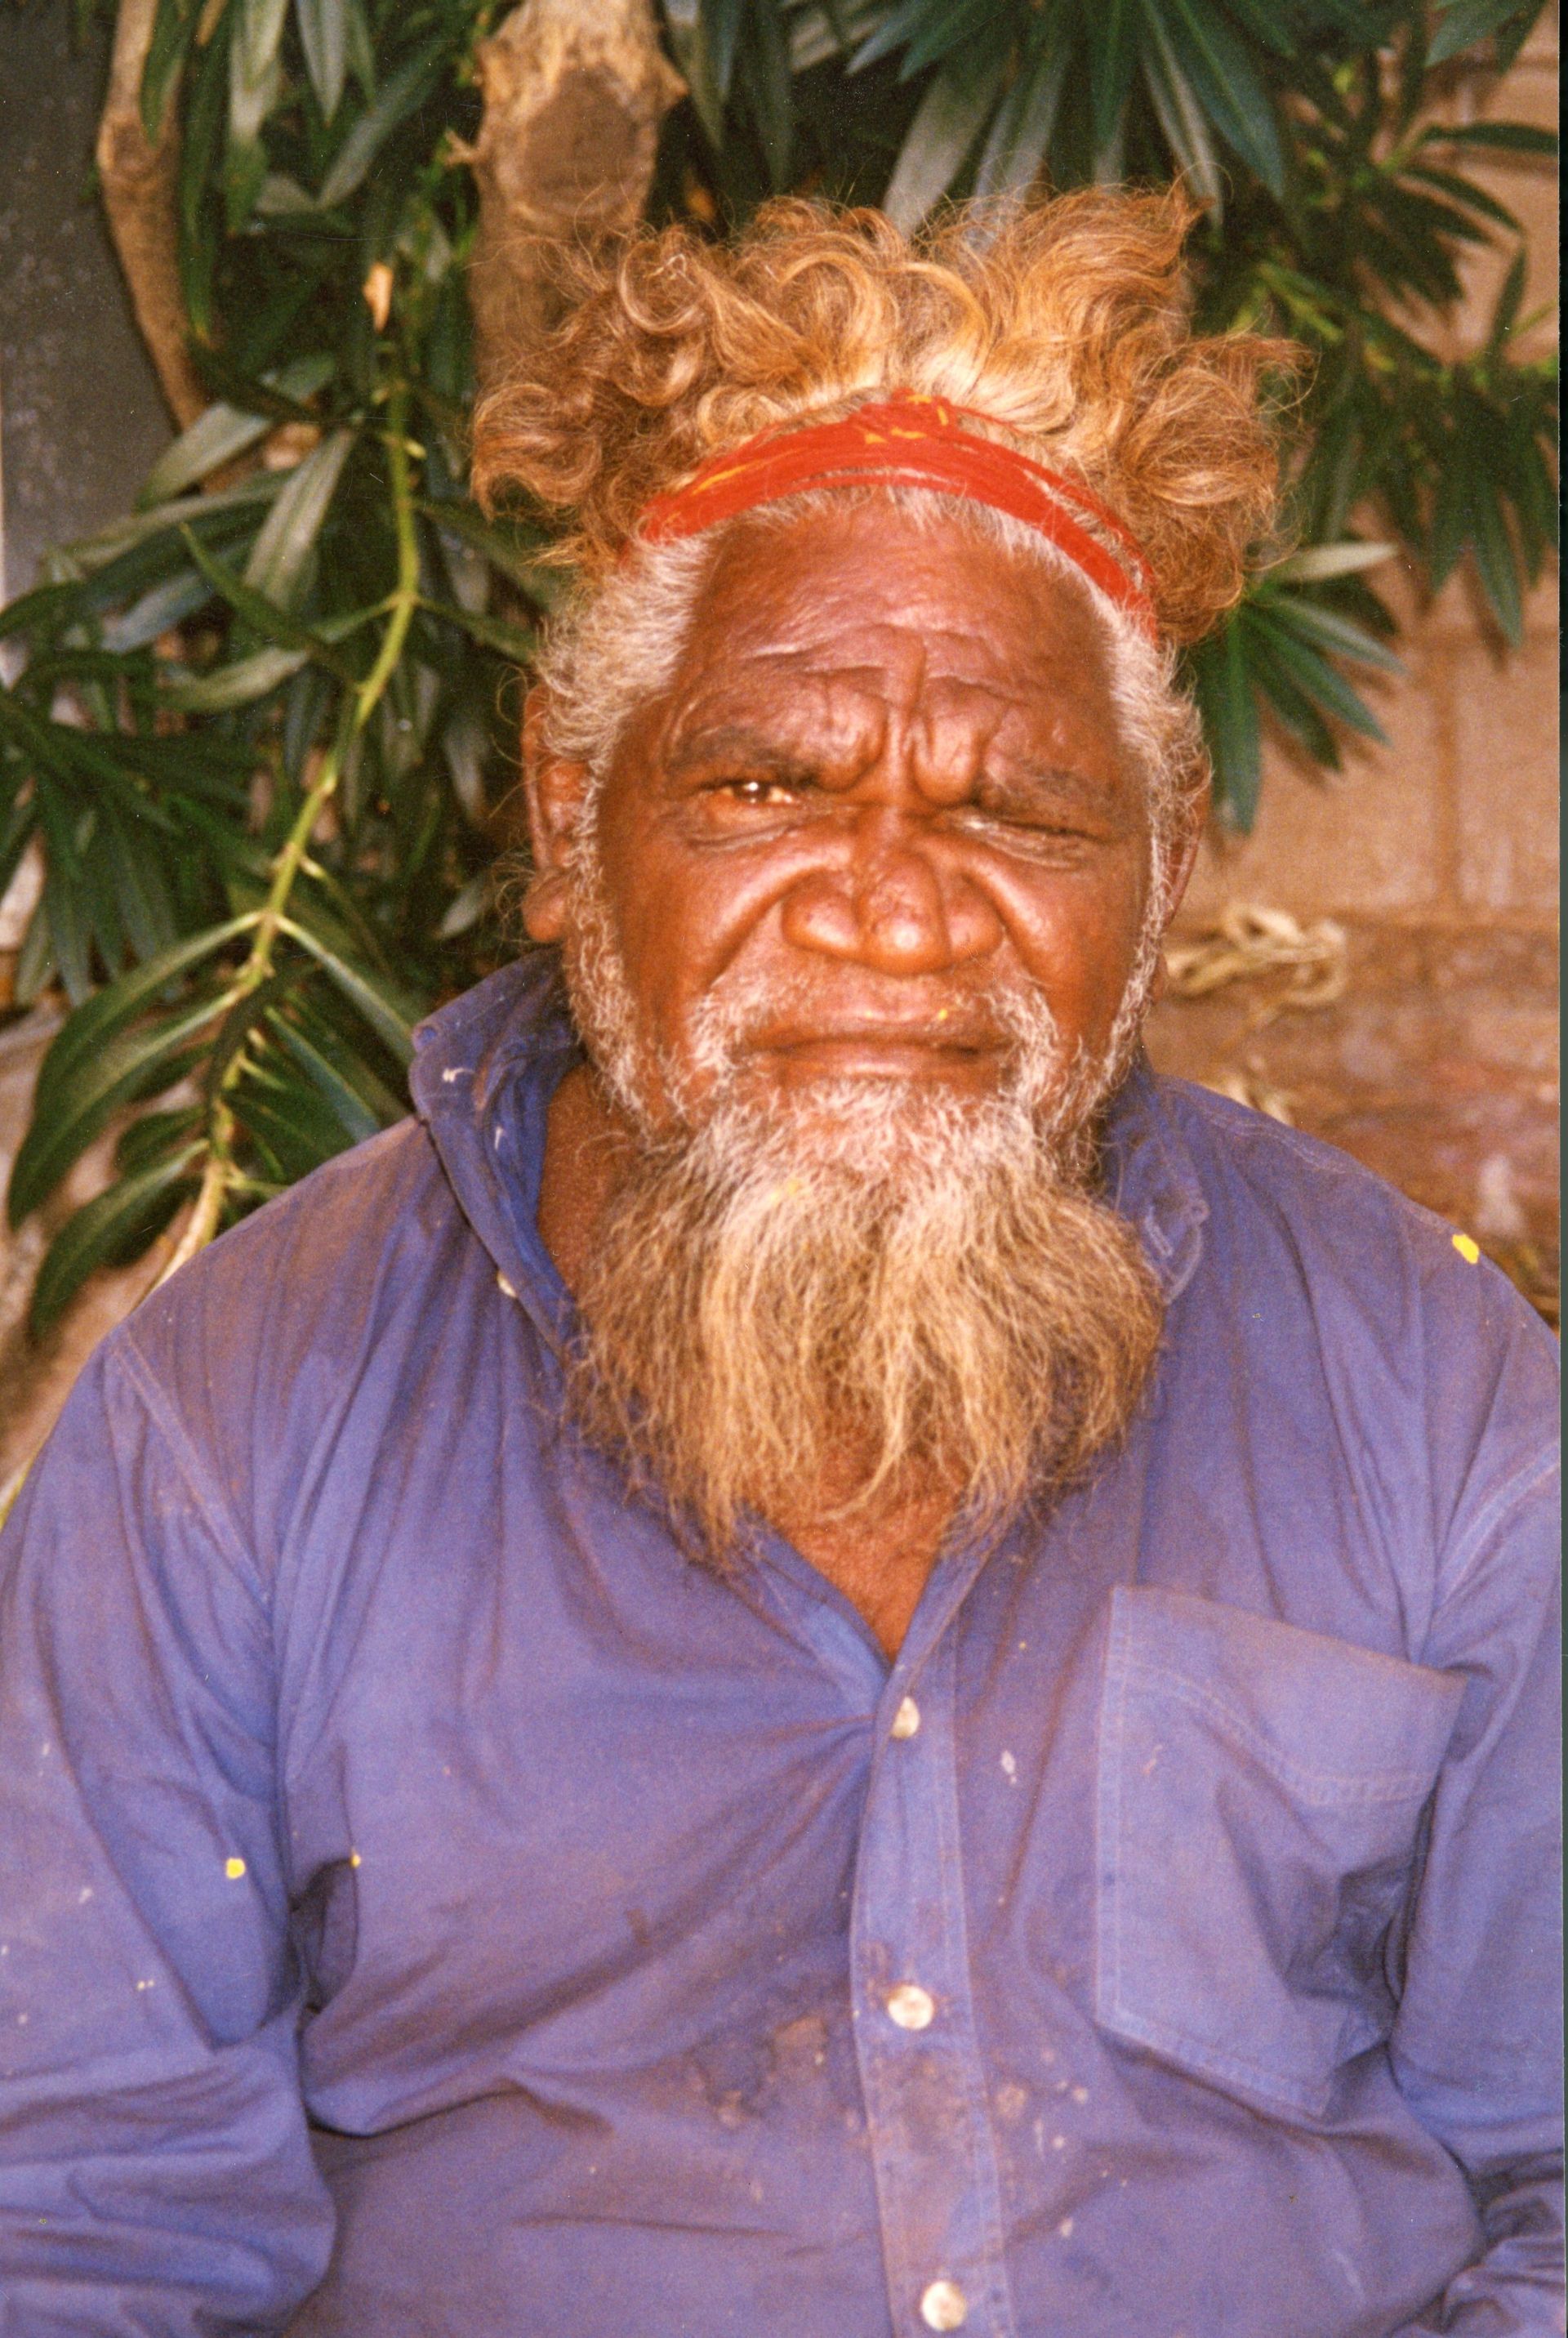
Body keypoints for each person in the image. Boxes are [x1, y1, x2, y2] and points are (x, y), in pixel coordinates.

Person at [0, 190, 1559, 2338]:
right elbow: (74, 2228)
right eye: (765, 783)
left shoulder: (1428, 1390)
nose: (896, 914)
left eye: (1016, 812)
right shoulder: (234, 1428)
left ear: (1167, 875)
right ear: (568, 831)